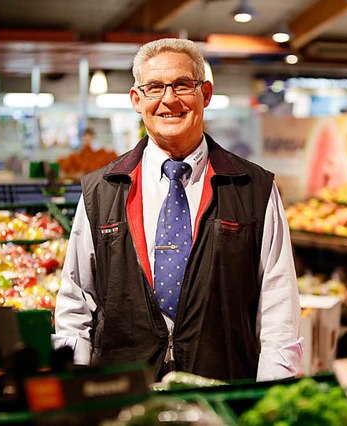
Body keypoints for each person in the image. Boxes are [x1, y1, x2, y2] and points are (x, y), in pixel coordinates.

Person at [52, 38, 302, 382]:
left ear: (206, 94)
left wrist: (270, 395)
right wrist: (75, 389)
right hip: (124, 393)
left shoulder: (253, 188)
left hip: (222, 389)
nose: (169, 100)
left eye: (183, 85)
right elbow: (77, 296)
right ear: (137, 101)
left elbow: (278, 301)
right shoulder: (101, 189)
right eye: (154, 88)